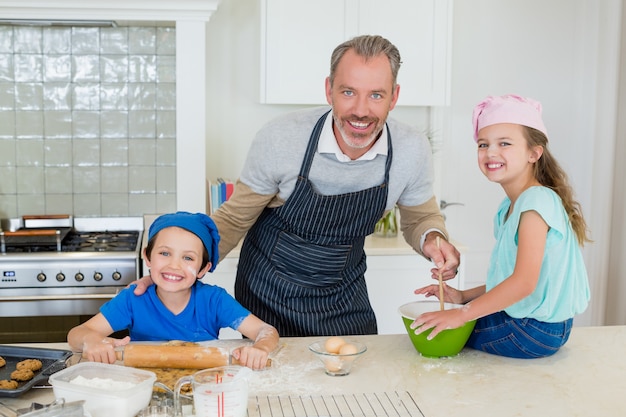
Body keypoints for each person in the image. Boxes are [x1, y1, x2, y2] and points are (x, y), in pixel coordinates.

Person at [135, 35, 460, 337]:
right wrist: (181, 267)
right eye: (348, 92)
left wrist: (433, 240)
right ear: (329, 89)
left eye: (376, 95)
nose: (361, 110)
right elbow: (234, 220)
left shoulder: (411, 149)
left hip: (343, 300)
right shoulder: (282, 138)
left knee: (352, 388)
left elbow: (420, 218)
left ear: (394, 97)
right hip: (267, 296)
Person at [411, 94, 591, 359]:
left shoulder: (535, 203)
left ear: (534, 153)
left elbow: (523, 284)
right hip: (544, 329)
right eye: (483, 144)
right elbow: (511, 280)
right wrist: (462, 297)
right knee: (442, 322)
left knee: (432, 330)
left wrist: (462, 315)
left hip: (531, 330)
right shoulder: (512, 206)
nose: (490, 152)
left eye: (504, 143)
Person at [68, 212, 278, 370]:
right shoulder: (134, 300)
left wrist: (261, 348)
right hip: (145, 383)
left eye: (187, 258)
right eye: (165, 253)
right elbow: (76, 334)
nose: (174, 265)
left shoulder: (214, 301)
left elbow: (266, 331)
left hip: (203, 384)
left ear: (203, 269)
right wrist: (91, 340)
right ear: (148, 257)